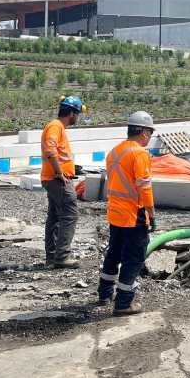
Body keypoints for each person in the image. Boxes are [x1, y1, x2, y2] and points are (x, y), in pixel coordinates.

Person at [97, 111, 156, 316]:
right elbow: (144, 187)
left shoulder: (114, 152)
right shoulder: (139, 153)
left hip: (115, 213)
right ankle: (123, 303)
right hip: (133, 214)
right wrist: (152, 213)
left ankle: (104, 294)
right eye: (150, 132)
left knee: (114, 253)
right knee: (133, 258)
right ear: (142, 132)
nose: (149, 137)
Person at [40, 95, 84, 269]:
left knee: (55, 217)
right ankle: (62, 257)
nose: (77, 118)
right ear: (71, 113)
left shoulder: (58, 127)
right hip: (57, 180)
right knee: (70, 214)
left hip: (53, 179)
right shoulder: (55, 126)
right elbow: (50, 150)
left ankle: (52, 257)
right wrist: (59, 172)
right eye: (77, 114)